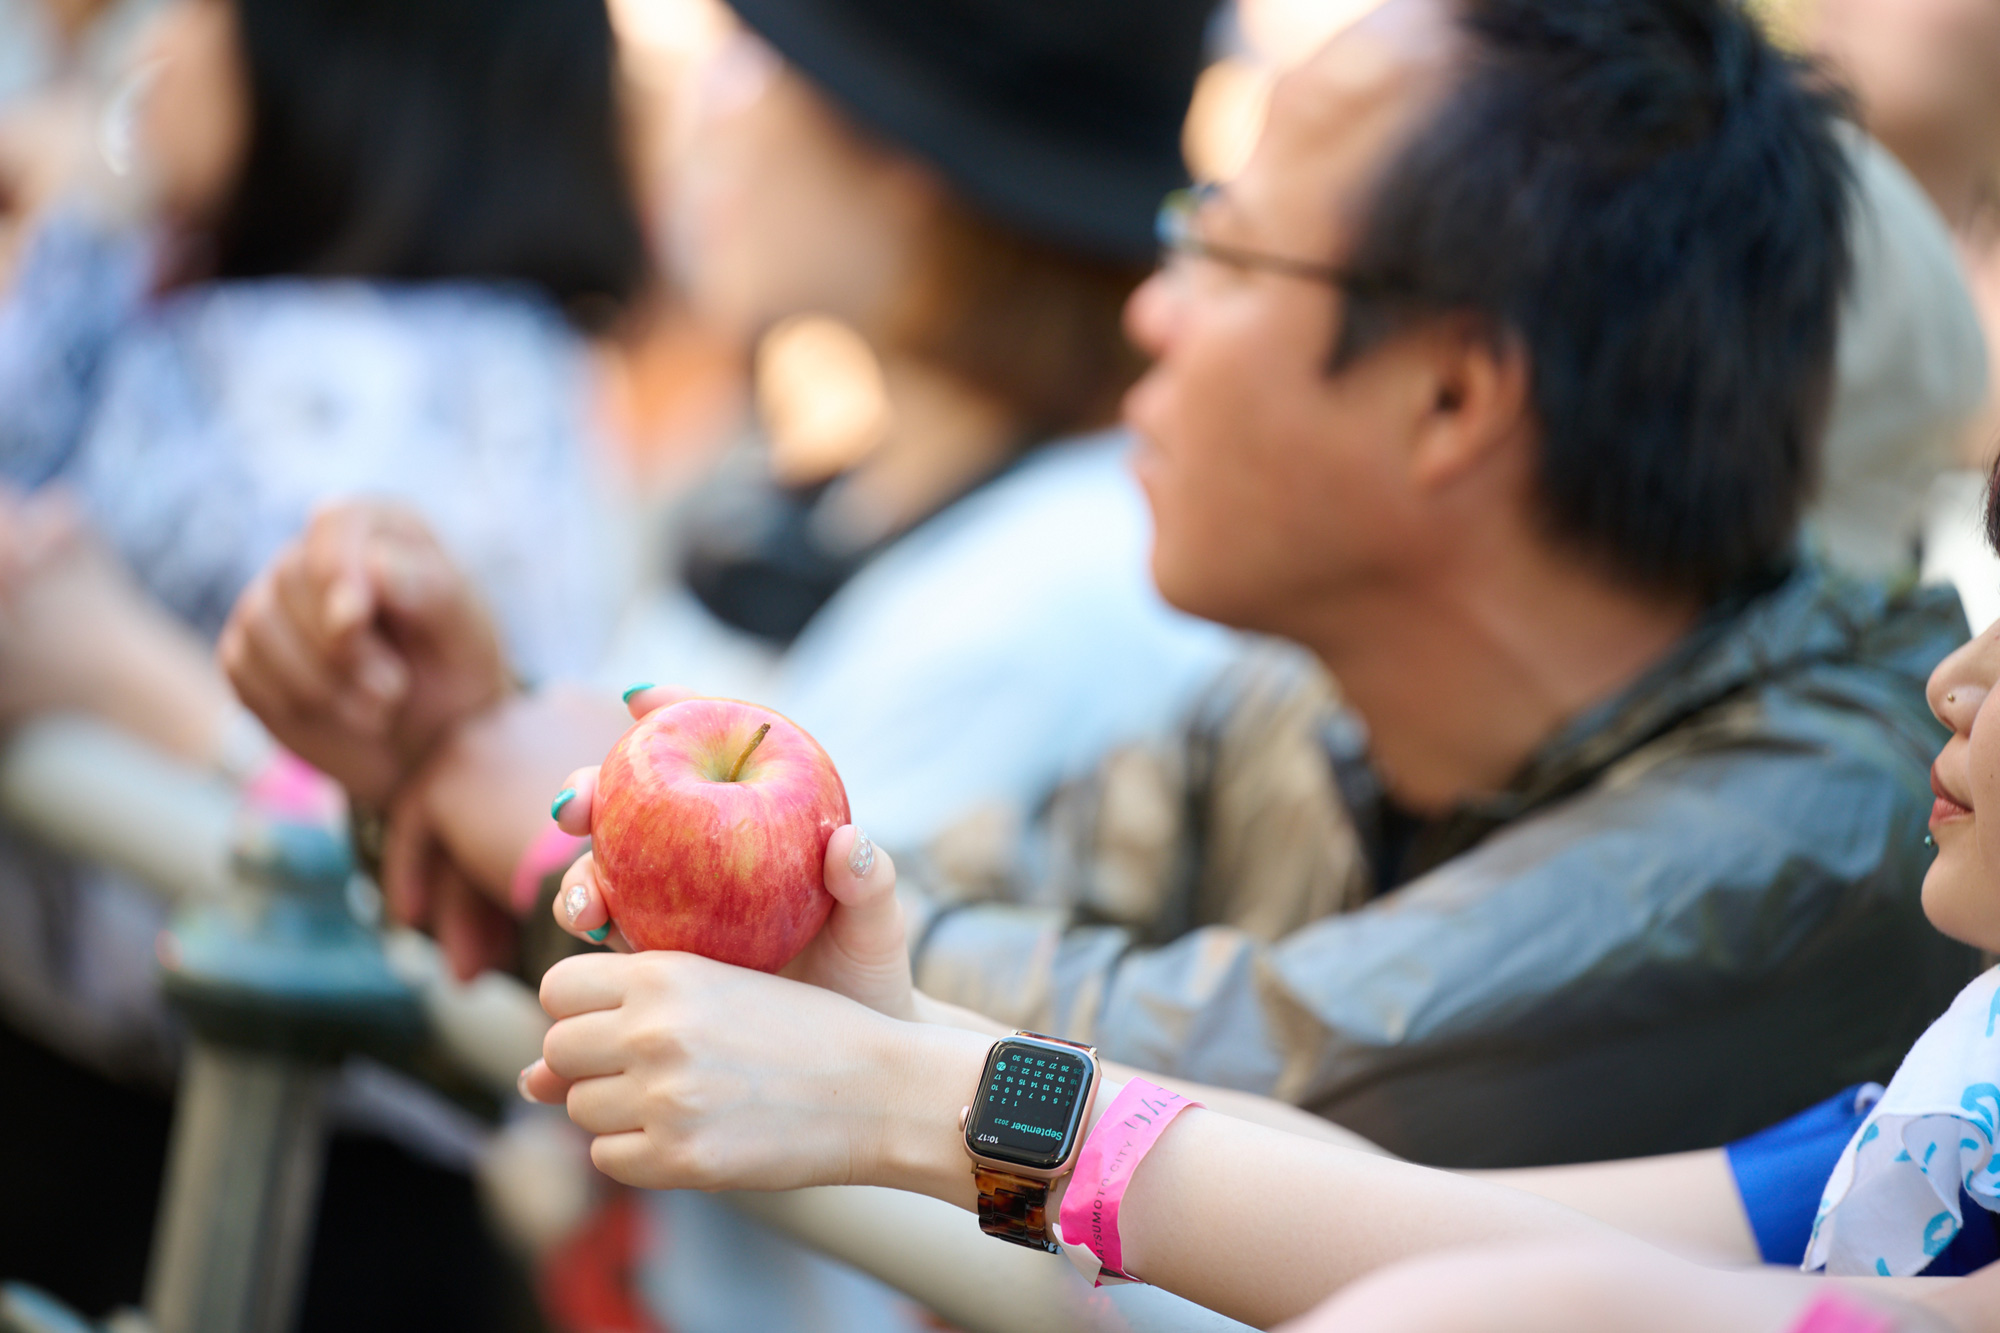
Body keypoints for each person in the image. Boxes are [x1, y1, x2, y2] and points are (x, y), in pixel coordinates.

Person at [224, 0, 1976, 1179]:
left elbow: (1204, 1076)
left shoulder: (1824, 826)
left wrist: (543, 796)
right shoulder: (1318, 709)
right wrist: (510, 769)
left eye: (1223, 245)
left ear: (1451, 399)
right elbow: (915, 897)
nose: (1153, 306)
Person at [514, 458, 2000, 1333]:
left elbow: (1545, 1299)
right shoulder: (1957, 1097)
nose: (1957, 678)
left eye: (1228, 246)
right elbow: (1446, 1225)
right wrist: (905, 1052)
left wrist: (920, 1099)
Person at [0, 0, 647, 1322]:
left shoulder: (423, 376)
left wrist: (116, 675)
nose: (157, 40)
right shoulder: (242, 307)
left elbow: (441, 814)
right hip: (140, 1101)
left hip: (285, 1152)